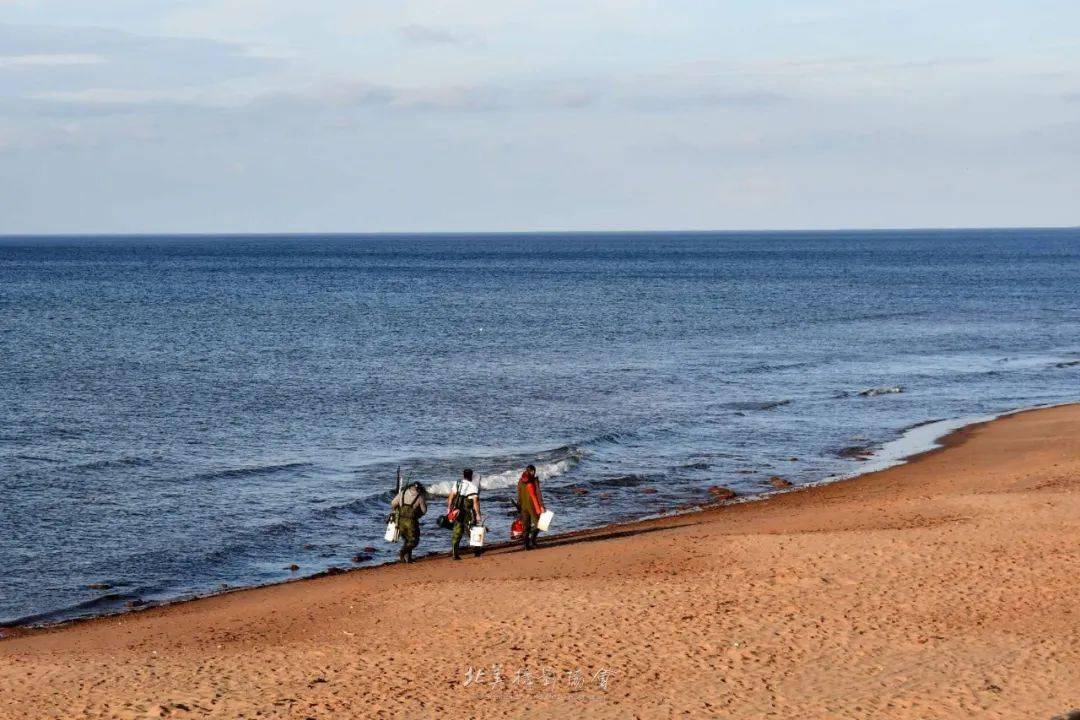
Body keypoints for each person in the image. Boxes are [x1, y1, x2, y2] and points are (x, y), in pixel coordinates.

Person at [446, 468, 482, 560]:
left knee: (457, 532)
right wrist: (478, 514)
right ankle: (476, 552)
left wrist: (449, 508)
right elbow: (475, 503)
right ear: (471, 476)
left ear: (463, 475)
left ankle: (455, 554)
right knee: (472, 532)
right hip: (468, 513)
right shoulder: (473, 487)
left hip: (457, 512)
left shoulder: (457, 484)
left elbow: (451, 497)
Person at [390, 480, 428, 563]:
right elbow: (424, 511)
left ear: (410, 487)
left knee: (406, 540)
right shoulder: (420, 497)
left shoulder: (402, 493)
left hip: (400, 521)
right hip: (411, 522)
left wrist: (396, 510)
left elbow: (393, 503)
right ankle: (402, 552)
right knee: (414, 541)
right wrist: (418, 514)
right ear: (418, 489)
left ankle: (408, 559)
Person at [517, 464, 545, 550]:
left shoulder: (520, 481)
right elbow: (538, 494)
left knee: (526, 527)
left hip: (523, 506)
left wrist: (519, 507)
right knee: (540, 524)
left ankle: (526, 546)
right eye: (534, 471)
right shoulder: (534, 480)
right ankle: (532, 541)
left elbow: (518, 494)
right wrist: (542, 506)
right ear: (532, 471)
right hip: (533, 506)